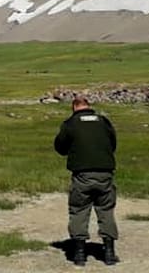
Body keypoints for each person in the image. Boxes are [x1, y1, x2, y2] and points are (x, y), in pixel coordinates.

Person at [54, 96, 119, 266]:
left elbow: (60, 147)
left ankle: (79, 253)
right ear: (89, 106)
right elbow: (113, 143)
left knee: (79, 210)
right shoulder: (104, 121)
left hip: (82, 175)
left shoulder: (70, 123)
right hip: (105, 174)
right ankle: (110, 253)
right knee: (105, 210)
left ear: (74, 107)